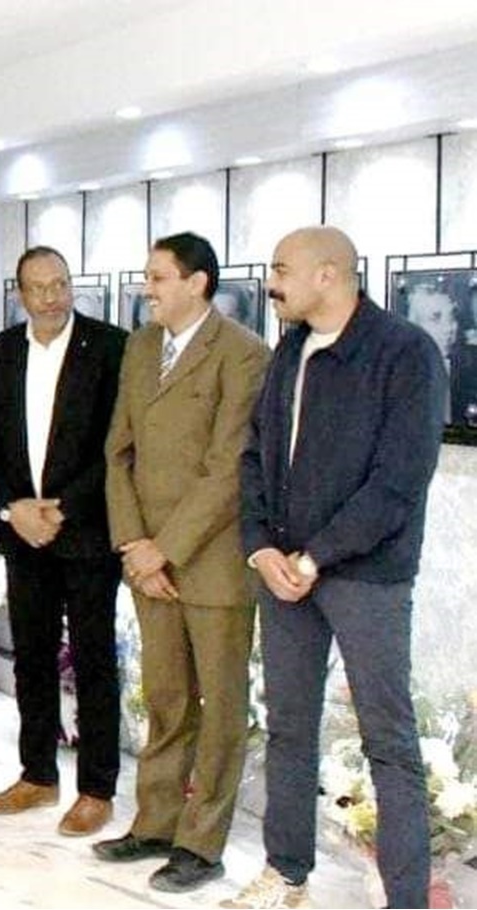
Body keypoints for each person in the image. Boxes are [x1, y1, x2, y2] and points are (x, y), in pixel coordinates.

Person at [225, 226, 446, 909]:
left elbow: (397, 481)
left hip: (365, 578)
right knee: (288, 729)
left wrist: (315, 555)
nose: (271, 283)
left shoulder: (404, 353)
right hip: (283, 574)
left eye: (281, 268)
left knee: (388, 742)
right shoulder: (288, 351)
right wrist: (260, 547)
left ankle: (405, 898)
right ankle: (285, 874)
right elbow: (255, 456)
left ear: (327, 274)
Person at [96, 232, 270, 893]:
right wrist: (132, 544)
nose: (147, 289)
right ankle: (156, 823)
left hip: (211, 562)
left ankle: (202, 844)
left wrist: (163, 549)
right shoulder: (141, 347)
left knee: (219, 706)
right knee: (166, 697)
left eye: (158, 277)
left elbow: (228, 469)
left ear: (197, 283)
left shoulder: (243, 354)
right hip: (146, 561)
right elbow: (118, 452)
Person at [0, 246, 127, 838]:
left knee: (93, 660)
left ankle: (96, 788)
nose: (52, 297)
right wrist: (13, 508)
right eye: (38, 287)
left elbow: (116, 443)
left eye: (60, 284)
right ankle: (37, 774)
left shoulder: (109, 347)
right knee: (31, 658)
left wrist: (61, 509)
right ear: (20, 294)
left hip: (84, 531)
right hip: (23, 532)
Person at [402, 282, 477, 425]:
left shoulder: (469, 372)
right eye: (436, 318)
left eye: (452, 317)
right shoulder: (395, 379)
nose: (449, 328)